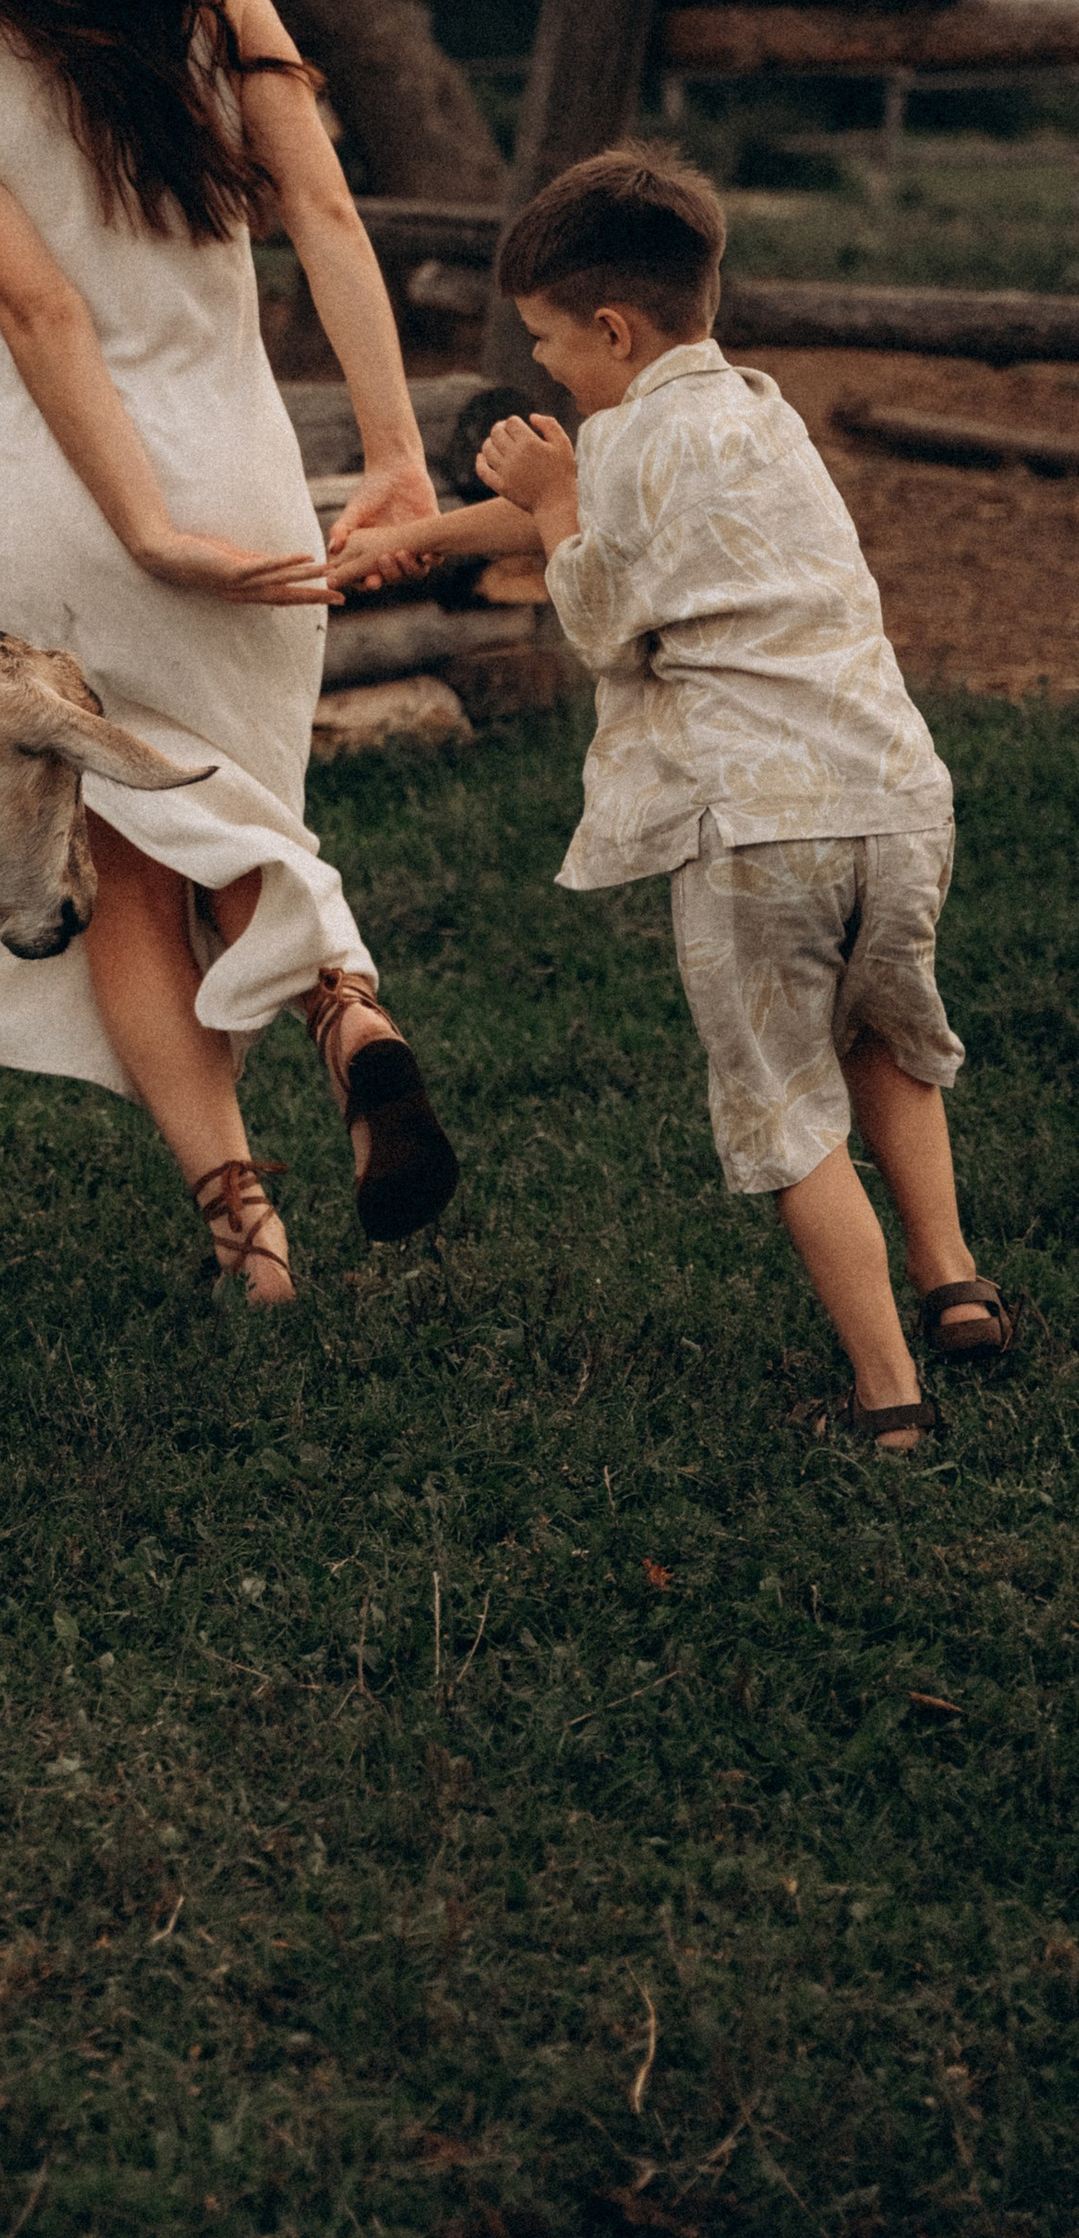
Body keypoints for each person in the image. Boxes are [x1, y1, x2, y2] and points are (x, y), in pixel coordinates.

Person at [0, 0, 460, 1300]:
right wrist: (395, 452)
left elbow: (45, 317)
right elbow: (330, 221)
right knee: (237, 814)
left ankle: (244, 1233)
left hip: (63, 508)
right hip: (244, 473)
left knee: (121, 862)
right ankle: (342, 1002)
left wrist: (131, 530)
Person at [330, 143, 1014, 1448]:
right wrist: (414, 535)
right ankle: (957, 1284)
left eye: (547, 343)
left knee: (786, 1108)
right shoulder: (757, 405)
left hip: (755, 830)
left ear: (611, 326)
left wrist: (546, 495)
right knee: (885, 1039)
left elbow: (590, 604)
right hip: (894, 798)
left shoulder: (620, 444)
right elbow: (583, 512)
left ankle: (889, 1399)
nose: (544, 369)